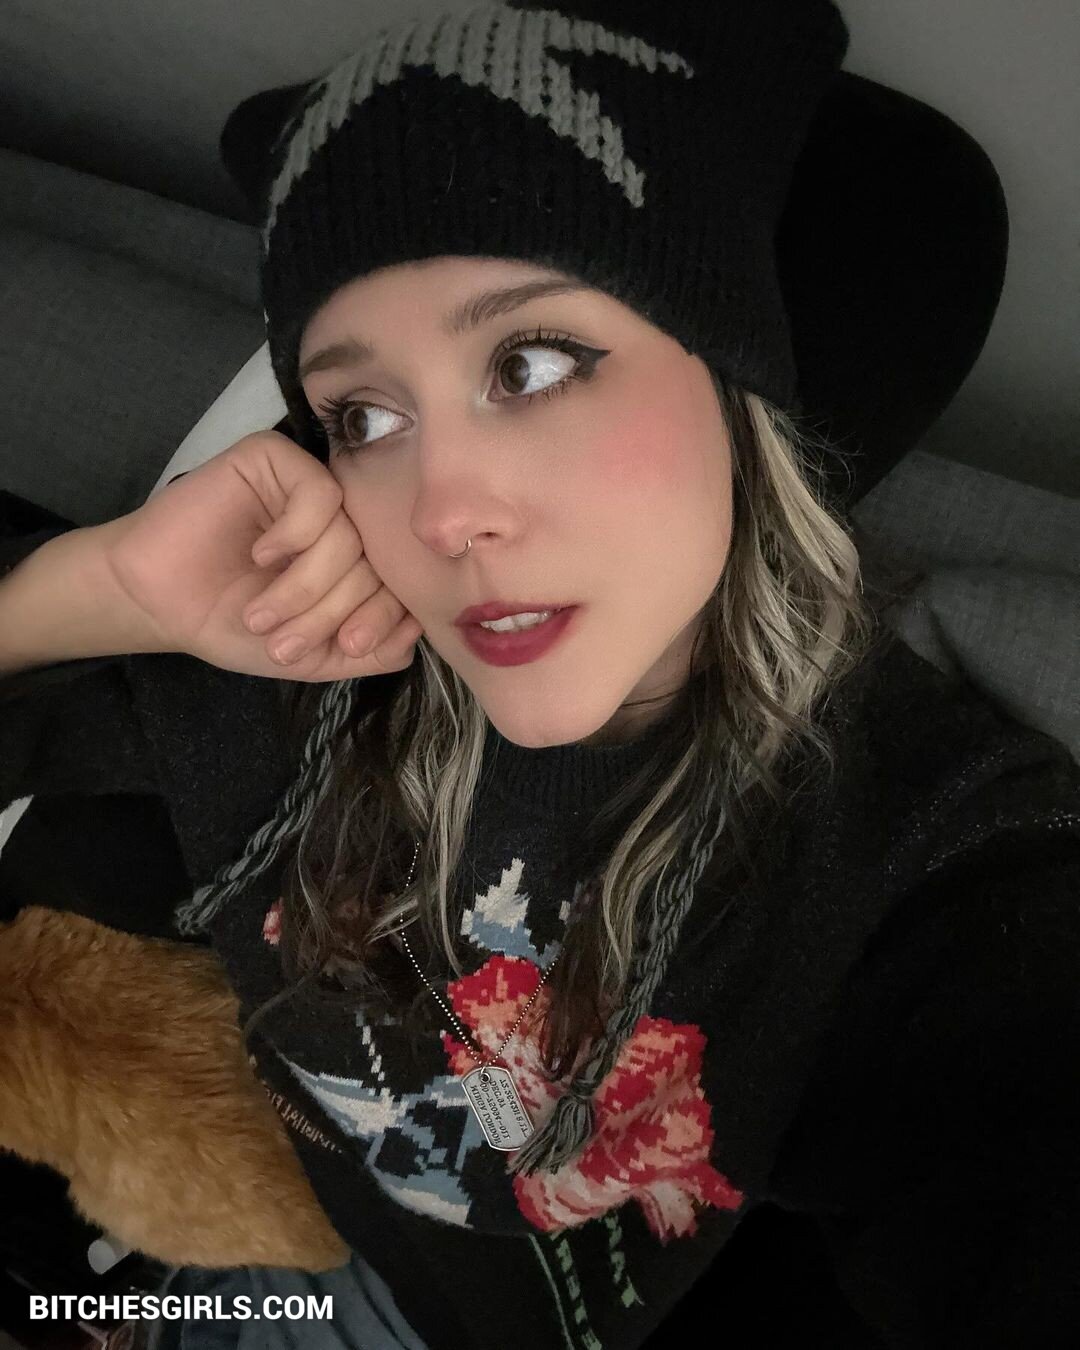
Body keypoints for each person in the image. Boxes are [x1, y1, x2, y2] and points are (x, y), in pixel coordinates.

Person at [1, 0, 1078, 1347]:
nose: (443, 512)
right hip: (245, 1249)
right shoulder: (292, 659)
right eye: (364, 415)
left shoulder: (915, 855)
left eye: (533, 361)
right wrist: (95, 588)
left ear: (731, 378)